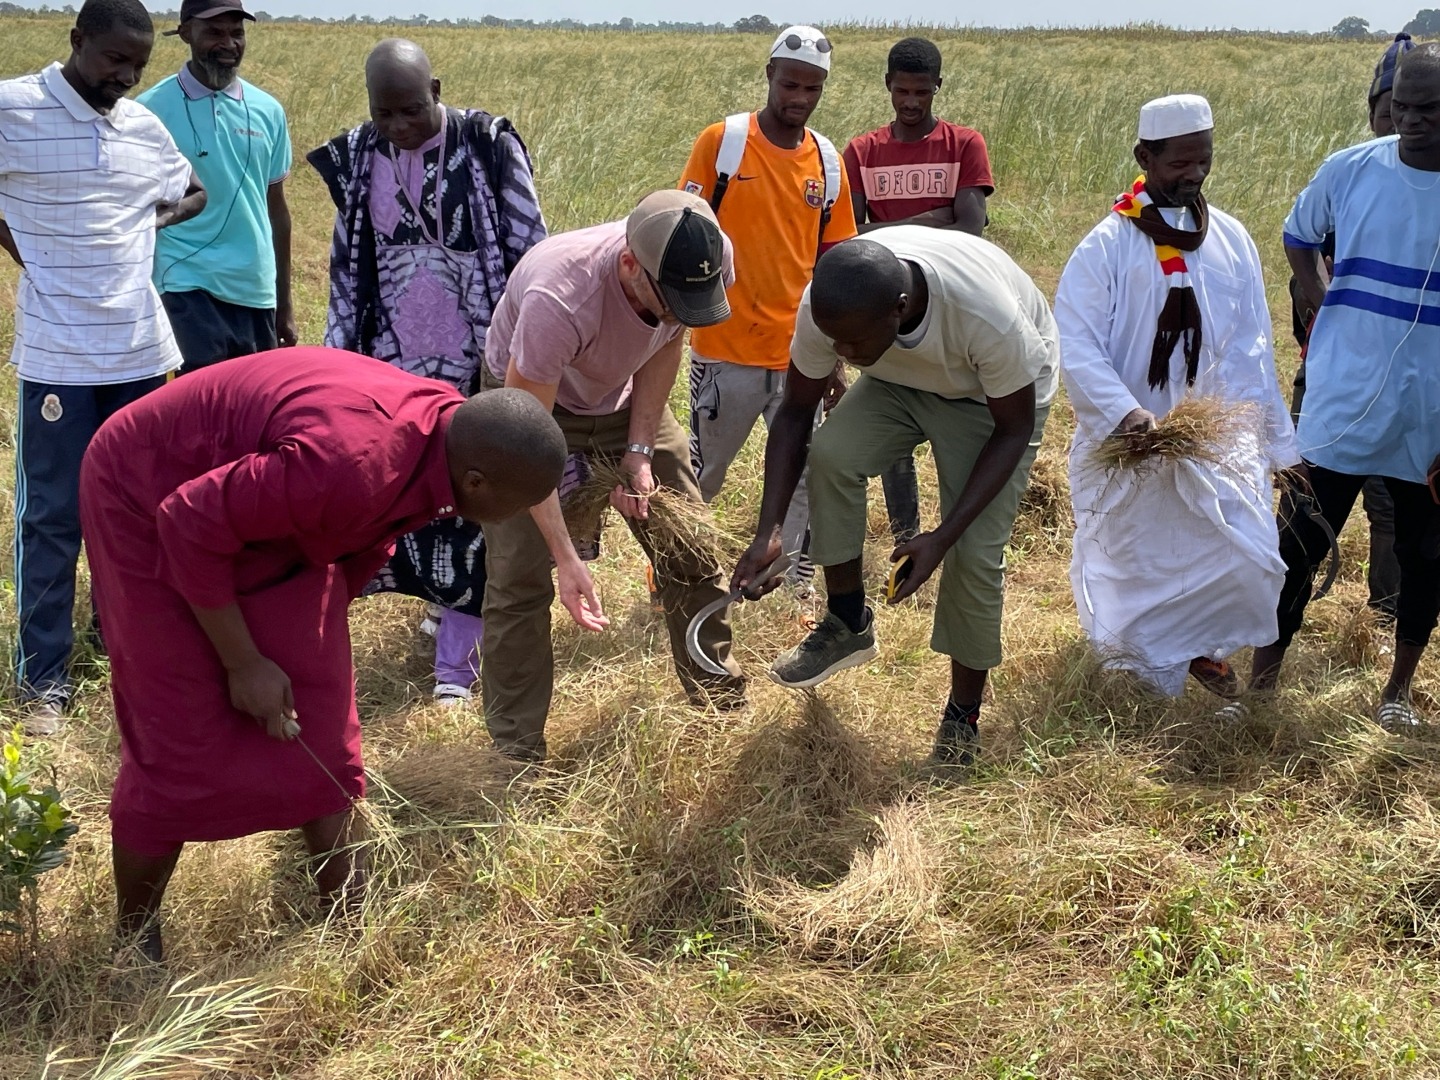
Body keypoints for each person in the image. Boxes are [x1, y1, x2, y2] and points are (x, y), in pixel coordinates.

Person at [80, 347, 568, 962]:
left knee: (321, 709)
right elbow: (188, 521)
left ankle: (349, 924)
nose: (516, 516)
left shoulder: (445, 434)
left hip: (251, 498)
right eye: (517, 503)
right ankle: (135, 942)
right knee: (179, 724)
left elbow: (372, 525)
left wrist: (308, 631)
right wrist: (242, 662)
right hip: (147, 486)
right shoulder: (351, 463)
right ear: (476, 483)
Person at [732, 231, 1058, 766]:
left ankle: (962, 715)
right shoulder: (834, 308)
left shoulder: (985, 317)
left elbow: (1014, 428)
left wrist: (943, 536)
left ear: (900, 309)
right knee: (834, 452)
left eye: (852, 345)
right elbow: (795, 412)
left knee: (974, 555)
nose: (841, 355)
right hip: (901, 378)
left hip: (990, 400)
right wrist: (769, 529)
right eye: (834, 341)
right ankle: (845, 623)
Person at [308, 38, 547, 705]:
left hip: (479, 363)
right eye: (385, 114)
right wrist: (341, 365)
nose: (399, 127)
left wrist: (521, 366)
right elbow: (347, 271)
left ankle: (455, 670)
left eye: (412, 110)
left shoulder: (488, 144)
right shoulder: (360, 155)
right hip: (396, 368)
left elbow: (532, 255)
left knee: (479, 500)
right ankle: (437, 604)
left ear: (436, 89)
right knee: (407, 498)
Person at [479, 189, 745, 761]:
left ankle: (717, 697)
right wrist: (566, 557)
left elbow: (665, 341)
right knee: (521, 577)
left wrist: (641, 448)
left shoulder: (706, 259)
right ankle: (515, 752)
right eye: (668, 299)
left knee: (690, 546)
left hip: (623, 399)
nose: (679, 311)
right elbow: (528, 443)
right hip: (529, 407)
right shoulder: (561, 296)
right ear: (630, 264)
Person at [0, 0, 206, 736]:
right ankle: (44, 682)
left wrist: (144, 225)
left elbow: (192, 189)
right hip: (59, 358)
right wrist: (23, 245)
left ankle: (127, 654)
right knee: (52, 519)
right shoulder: (13, 107)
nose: (123, 76)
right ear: (75, 40)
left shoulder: (143, 126)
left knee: (145, 516)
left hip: (143, 356)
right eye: (112, 59)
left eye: (137, 66)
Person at [1055, 94, 1298, 699]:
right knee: (1137, 560)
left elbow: (1252, 345)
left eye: (1203, 163)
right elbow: (1076, 344)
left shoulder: (1233, 240)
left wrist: (1270, 443)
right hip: (1133, 440)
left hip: (1216, 439)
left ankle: (1203, 647)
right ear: (1144, 156)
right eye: (1178, 165)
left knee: (1241, 550)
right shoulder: (1105, 247)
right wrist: (1124, 413)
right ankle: (1139, 670)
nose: (1192, 176)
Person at [1246, 45, 1440, 730]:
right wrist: (1318, 297)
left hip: (1430, 426)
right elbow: (1299, 234)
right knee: (1296, 544)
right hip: (1341, 405)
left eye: (1429, 110)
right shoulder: (1351, 170)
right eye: (1403, 107)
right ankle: (1260, 688)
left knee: (1426, 558)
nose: (1411, 121)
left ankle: (1398, 694)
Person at [679, 25, 859, 590]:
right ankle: (676, 579)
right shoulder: (724, 143)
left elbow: (834, 264)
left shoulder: (828, 165)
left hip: (799, 353)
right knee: (700, 477)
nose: (799, 99)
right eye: (790, 84)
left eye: (812, 89)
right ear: (769, 77)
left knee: (803, 476)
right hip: (724, 348)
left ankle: (782, 584)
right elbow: (684, 233)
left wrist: (833, 354)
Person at [844, 36, 996, 545]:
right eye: (902, 91)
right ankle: (907, 534)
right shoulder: (863, 151)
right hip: (890, 309)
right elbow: (848, 237)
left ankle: (961, 531)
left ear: (937, 88)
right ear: (888, 86)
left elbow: (971, 228)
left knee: (965, 416)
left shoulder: (964, 145)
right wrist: (934, 218)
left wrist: (889, 233)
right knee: (894, 418)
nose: (911, 102)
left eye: (922, 92)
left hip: (955, 304)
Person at [1286, 32, 1416, 622]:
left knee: (1390, 506)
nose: (1401, 126)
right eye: (1389, 113)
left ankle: (1385, 616)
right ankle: (1279, 614)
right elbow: (1302, 264)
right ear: (1373, 115)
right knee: (1305, 500)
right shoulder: (1350, 179)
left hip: (1404, 385)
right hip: (1332, 375)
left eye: (1415, 112)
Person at [138, 0, 296, 368]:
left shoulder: (268, 110)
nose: (229, 44)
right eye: (214, 32)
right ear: (186, 33)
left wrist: (284, 303)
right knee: (200, 411)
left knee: (250, 413)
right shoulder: (149, 111)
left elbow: (276, 210)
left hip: (254, 289)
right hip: (183, 285)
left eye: (236, 33)